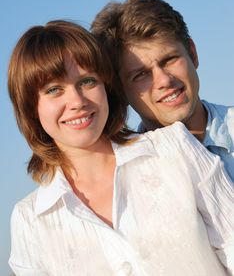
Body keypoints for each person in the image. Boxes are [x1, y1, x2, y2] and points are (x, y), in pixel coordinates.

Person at [8, 20, 234, 276]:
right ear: (30, 108)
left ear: (107, 88)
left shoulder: (175, 149)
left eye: (87, 81)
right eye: (54, 89)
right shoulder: (29, 220)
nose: (77, 101)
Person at [91, 0, 234, 182]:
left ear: (192, 53)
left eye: (169, 60)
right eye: (141, 74)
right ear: (119, 91)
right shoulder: (125, 180)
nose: (164, 80)